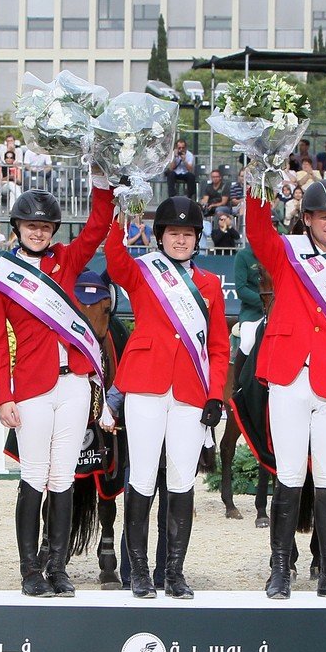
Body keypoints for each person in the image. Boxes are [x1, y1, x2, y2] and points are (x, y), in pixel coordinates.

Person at [245, 179, 326, 601]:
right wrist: (259, 178)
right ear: (308, 220)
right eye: (324, 216)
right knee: (288, 475)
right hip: (288, 377)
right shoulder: (288, 254)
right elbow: (257, 230)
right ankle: (280, 570)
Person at [0, 179, 115, 597]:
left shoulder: (67, 261)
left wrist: (100, 182)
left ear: (54, 230)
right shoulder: (0, 277)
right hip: (33, 386)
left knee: (64, 477)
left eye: (45, 226)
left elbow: (97, 226)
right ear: (17, 227)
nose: (38, 232)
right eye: (30, 225)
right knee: (34, 476)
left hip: (75, 383)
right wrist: (3, 398)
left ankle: (56, 567)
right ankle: (29, 570)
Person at [105, 195, 230, 599]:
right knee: (141, 477)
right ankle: (139, 571)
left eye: (188, 233)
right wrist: (118, 211)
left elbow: (219, 347)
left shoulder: (210, 284)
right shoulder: (142, 272)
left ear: (198, 238)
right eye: (174, 233)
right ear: (160, 236)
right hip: (145, 385)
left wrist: (215, 395)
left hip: (192, 390)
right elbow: (113, 257)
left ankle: (173, 571)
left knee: (181, 482)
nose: (181, 239)